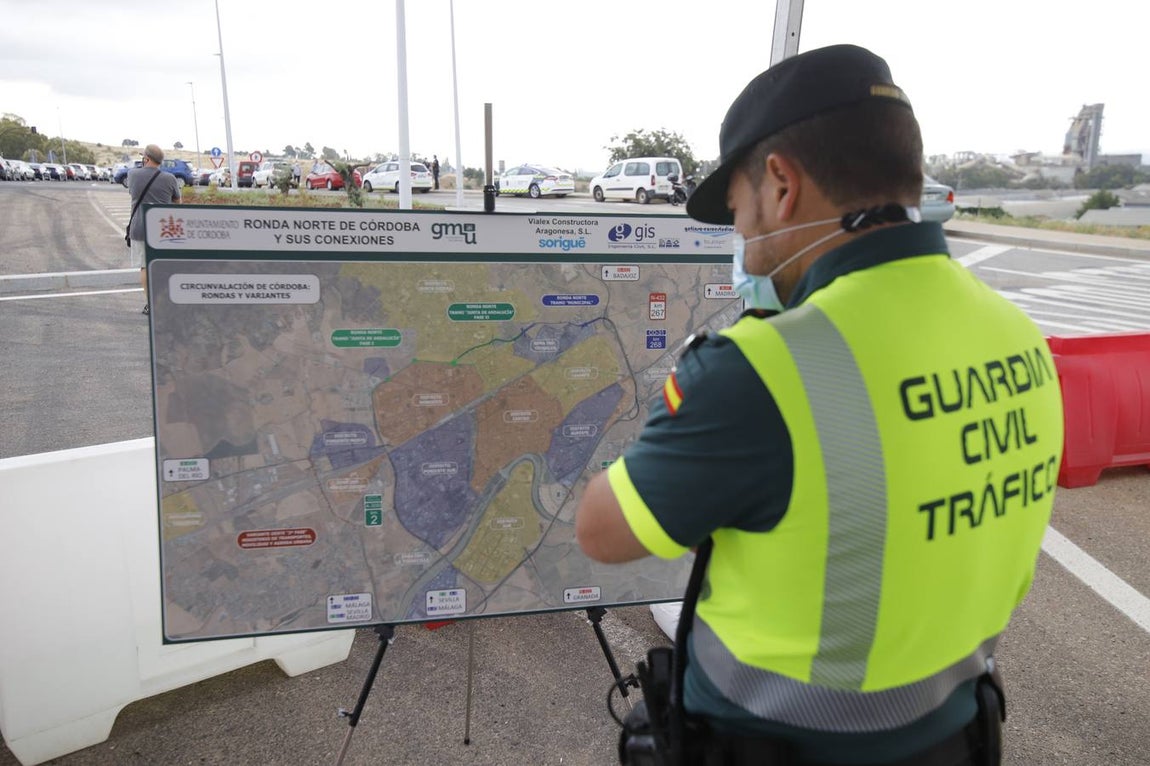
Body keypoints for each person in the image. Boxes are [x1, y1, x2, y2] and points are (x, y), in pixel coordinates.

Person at [575, 44, 1064, 766]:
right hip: (956, 733)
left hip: (776, 747)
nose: (739, 232)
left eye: (736, 206)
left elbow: (604, 533)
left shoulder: (764, 369)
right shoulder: (1018, 334)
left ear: (780, 183)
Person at [127, 144, 181, 315]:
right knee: (162, 266)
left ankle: (151, 304)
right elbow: (177, 203)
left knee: (145, 267)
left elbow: (132, 193)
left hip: (139, 228)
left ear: (146, 159)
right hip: (163, 230)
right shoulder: (170, 178)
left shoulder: (133, 175)